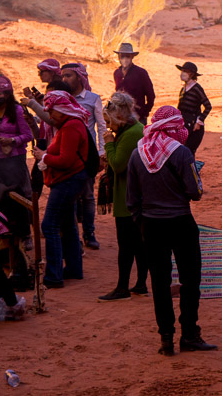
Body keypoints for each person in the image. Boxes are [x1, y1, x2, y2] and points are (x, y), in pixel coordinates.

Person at [126, 106, 217, 356]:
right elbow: (194, 193)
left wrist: (142, 223)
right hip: (181, 223)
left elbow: (132, 199)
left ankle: (166, 338)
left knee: (160, 282)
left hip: (152, 225)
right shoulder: (182, 153)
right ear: (174, 128)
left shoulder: (137, 154)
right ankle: (189, 334)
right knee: (190, 280)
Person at [32, 91, 90, 288]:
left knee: (49, 226)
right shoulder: (70, 124)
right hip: (70, 180)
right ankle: (74, 269)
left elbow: (65, 161)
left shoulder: (71, 126)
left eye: (52, 111)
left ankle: (54, 277)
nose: (50, 115)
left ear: (62, 110)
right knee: (67, 225)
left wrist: (43, 157)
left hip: (68, 181)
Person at [98, 92, 148, 302]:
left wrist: (109, 144)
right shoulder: (133, 129)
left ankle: (122, 288)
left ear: (119, 116)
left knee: (127, 245)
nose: (109, 127)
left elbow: (118, 165)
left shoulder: (130, 134)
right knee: (138, 244)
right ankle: (140, 284)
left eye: (110, 121)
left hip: (128, 198)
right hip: (134, 196)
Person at [61, 62, 107, 250]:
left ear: (80, 78)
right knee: (69, 197)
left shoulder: (92, 98)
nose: (64, 79)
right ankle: (73, 237)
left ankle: (89, 233)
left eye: (68, 76)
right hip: (66, 154)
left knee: (87, 196)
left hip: (87, 155)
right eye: (62, 76)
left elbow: (102, 127)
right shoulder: (60, 98)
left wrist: (102, 153)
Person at [0, 75, 33, 208]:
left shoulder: (18, 111)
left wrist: (12, 140)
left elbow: (28, 135)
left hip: (13, 160)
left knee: (15, 195)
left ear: (7, 95)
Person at [113, 43, 155, 125]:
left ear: (132, 57)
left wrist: (144, 113)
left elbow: (151, 95)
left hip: (138, 116)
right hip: (121, 116)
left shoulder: (141, 73)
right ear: (119, 57)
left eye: (128, 56)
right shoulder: (116, 73)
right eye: (122, 56)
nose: (125, 59)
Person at [176, 62, 212, 156]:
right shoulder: (183, 89)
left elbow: (208, 106)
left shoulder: (197, 88)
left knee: (189, 152)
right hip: (183, 125)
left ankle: (191, 170)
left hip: (194, 127)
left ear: (192, 74)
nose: (183, 73)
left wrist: (199, 122)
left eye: (186, 71)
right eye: (182, 71)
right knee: (181, 151)